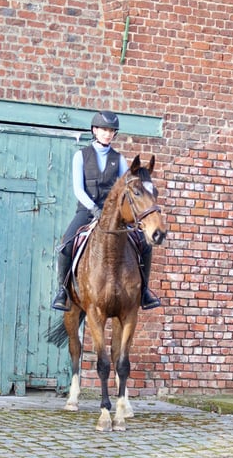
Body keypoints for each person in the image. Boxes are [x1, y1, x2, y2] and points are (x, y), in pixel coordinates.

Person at [51, 110, 161, 311]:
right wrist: (94, 209)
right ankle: (63, 291)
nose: (107, 134)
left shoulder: (118, 159)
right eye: (104, 129)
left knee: (145, 245)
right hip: (86, 211)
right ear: (95, 130)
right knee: (66, 244)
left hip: (113, 215)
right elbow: (78, 189)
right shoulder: (81, 156)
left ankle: (144, 291)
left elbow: (125, 188)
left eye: (111, 131)